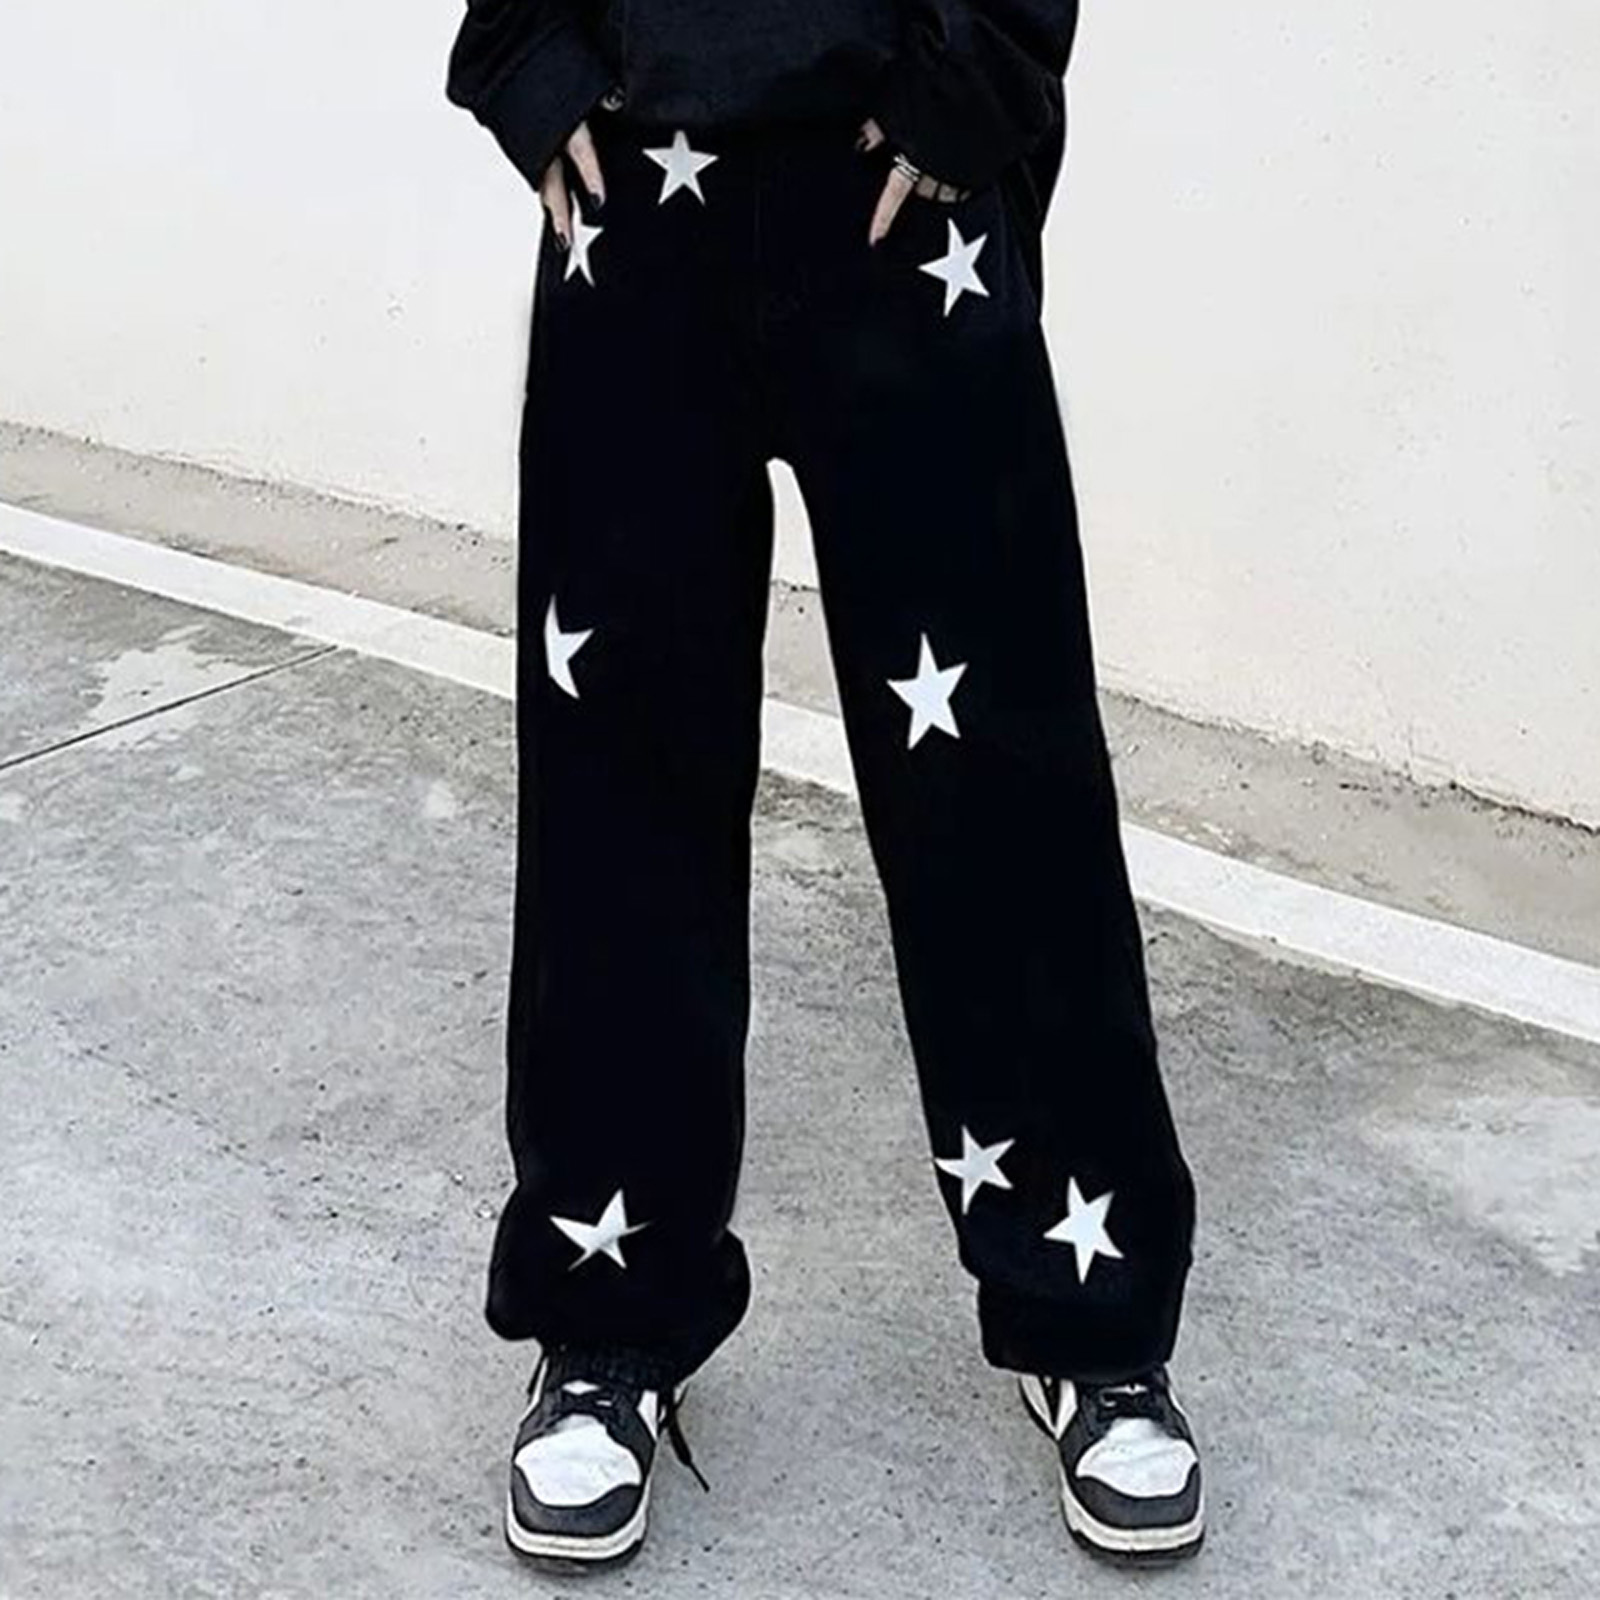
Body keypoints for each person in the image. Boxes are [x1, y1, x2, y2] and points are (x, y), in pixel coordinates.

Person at [445, 0, 1204, 1571]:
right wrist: (524, 50)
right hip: (634, 184)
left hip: (905, 192)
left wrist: (981, 67)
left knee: (1006, 791)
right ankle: (609, 1317)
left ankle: (1091, 1310)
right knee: (619, 793)